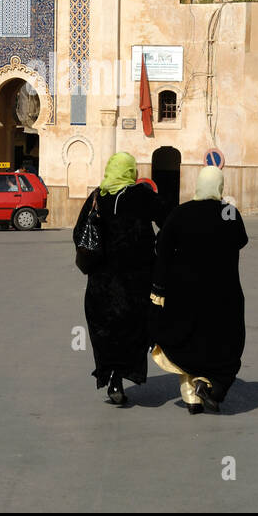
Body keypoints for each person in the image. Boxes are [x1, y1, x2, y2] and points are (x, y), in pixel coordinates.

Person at [150, 167, 248, 415]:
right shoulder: (228, 212)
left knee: (188, 339)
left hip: (184, 292)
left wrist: (158, 286)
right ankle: (211, 385)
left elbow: (162, 249)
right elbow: (241, 240)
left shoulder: (181, 213)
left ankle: (191, 396)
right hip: (223, 292)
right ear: (220, 186)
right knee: (224, 341)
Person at [73, 151, 168, 406]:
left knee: (104, 329)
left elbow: (78, 233)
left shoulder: (97, 196)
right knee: (134, 328)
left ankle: (111, 375)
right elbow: (168, 222)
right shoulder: (143, 196)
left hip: (101, 283)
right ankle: (123, 373)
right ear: (131, 172)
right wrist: (156, 248)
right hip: (136, 280)